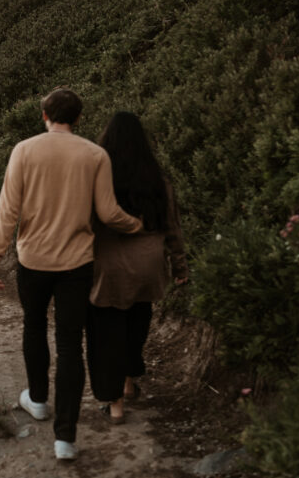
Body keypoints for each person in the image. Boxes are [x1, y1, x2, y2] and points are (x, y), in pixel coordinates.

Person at [0, 88, 142, 461]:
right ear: (78, 118)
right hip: (76, 265)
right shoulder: (94, 154)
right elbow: (107, 213)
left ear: (44, 115)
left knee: (34, 326)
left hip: (33, 261)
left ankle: (37, 400)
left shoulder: (24, 150)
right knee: (71, 343)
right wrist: (137, 225)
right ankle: (65, 439)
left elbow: (8, 210)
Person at [86, 111, 189, 424]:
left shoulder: (99, 181)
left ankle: (115, 404)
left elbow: (86, 224)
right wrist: (180, 265)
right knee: (136, 324)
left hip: (109, 268)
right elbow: (173, 228)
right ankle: (129, 382)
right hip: (149, 266)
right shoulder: (160, 182)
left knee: (106, 334)